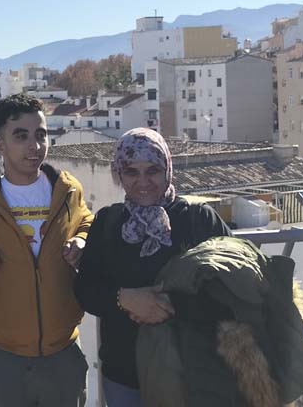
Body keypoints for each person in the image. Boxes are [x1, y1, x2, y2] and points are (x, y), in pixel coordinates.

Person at [0, 93, 94, 407]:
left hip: (63, 353)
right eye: (21, 136)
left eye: (40, 135)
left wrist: (82, 240)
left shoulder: (67, 189)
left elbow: (86, 221)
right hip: (3, 358)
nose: (34, 146)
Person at [73, 127, 232, 407]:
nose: (143, 181)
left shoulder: (197, 220)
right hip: (125, 377)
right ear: (119, 174)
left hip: (193, 375)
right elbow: (86, 289)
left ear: (168, 169)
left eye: (153, 170)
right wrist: (124, 298)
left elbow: (231, 289)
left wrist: (170, 305)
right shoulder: (108, 222)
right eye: (132, 171)